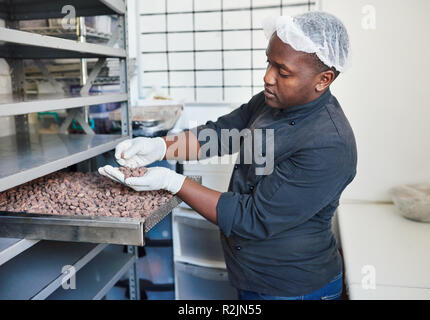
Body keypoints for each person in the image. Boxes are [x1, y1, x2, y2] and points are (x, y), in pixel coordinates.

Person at [99, 11, 357, 300]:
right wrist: (159, 146)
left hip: (292, 287)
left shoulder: (329, 145)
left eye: (283, 72)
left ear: (323, 79)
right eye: (269, 62)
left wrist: (173, 183)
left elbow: (253, 218)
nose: (267, 77)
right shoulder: (271, 102)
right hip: (250, 274)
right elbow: (221, 133)